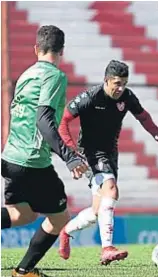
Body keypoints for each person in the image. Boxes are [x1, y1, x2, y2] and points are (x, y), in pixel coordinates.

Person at [58, 60, 158, 265]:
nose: (121, 88)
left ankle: (65, 231)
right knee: (111, 190)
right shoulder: (90, 97)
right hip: (90, 152)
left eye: (124, 83)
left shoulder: (126, 97)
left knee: (96, 212)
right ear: (106, 80)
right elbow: (63, 120)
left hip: (110, 153)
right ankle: (107, 248)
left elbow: (143, 116)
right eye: (117, 83)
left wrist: (156, 134)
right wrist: (72, 152)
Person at [1, 25, 88, 277]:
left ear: (36, 49)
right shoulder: (54, 76)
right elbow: (43, 120)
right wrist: (69, 157)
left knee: (23, 214)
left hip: (10, 157)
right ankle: (24, 271)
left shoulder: (27, 75)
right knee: (60, 218)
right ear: (62, 51)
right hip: (32, 162)